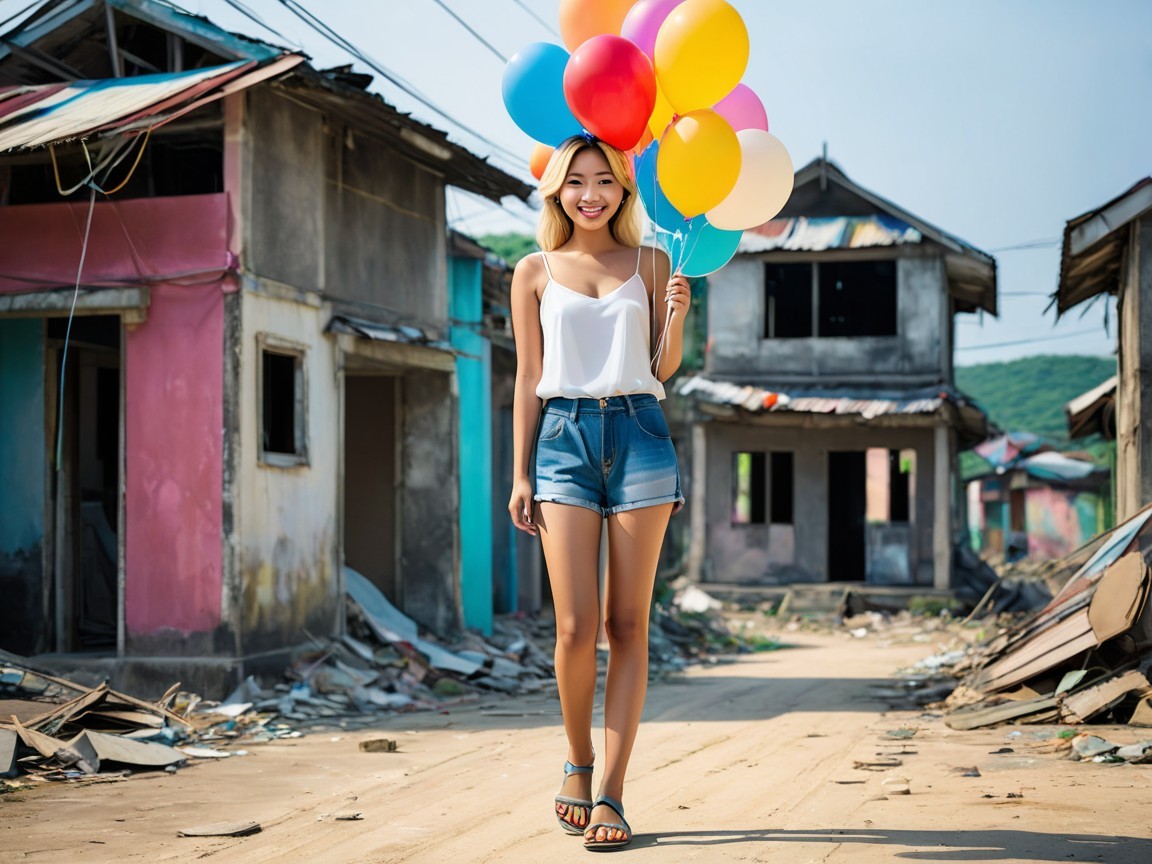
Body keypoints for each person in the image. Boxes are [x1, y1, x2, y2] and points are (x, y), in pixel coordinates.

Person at [507, 133, 689, 851]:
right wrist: (520, 471)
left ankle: (613, 792)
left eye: (605, 181)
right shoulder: (532, 270)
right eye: (577, 180)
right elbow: (527, 376)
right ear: (557, 190)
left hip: (641, 433)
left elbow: (662, 364)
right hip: (562, 441)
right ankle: (577, 764)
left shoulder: (652, 260)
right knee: (576, 626)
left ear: (624, 189)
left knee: (628, 625)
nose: (591, 193)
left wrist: (676, 311)